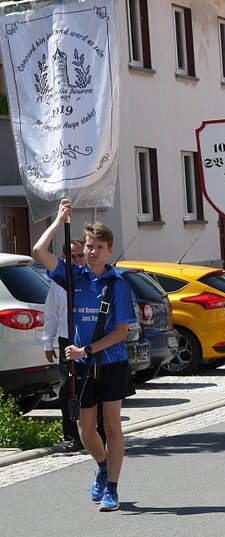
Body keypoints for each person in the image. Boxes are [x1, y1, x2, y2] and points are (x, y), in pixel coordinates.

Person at [33, 200, 137, 512]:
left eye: (99, 247)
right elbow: (38, 251)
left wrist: (87, 349)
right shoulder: (73, 275)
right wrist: (59, 219)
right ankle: (103, 467)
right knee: (85, 430)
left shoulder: (117, 283)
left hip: (111, 362)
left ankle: (113, 489)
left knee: (112, 425)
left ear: (109, 250)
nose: (92, 252)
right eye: (89, 246)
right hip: (81, 365)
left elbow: (121, 332)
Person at [42, 238, 87, 450]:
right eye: (72, 256)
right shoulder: (58, 284)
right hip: (66, 339)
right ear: (63, 258)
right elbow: (51, 314)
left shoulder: (91, 279)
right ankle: (71, 435)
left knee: (89, 387)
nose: (77, 260)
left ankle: (92, 432)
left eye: (80, 255)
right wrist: (47, 343)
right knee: (68, 388)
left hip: (88, 341)